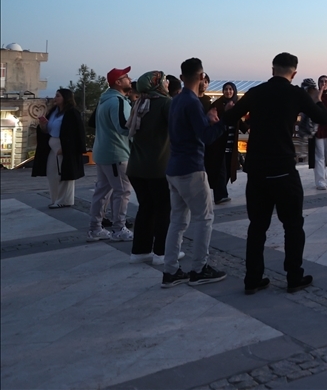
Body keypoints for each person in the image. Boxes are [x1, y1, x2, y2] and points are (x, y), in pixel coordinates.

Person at [221, 52, 327, 294]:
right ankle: (293, 276)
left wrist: (229, 107)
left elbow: (229, 118)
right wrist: (318, 98)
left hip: (257, 170)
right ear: (294, 73)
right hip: (283, 169)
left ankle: (253, 279)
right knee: (293, 225)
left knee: (257, 226)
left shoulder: (256, 92)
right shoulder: (296, 93)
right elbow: (322, 118)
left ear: (272, 69)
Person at [161, 58, 227, 288]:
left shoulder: (177, 101)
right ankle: (199, 269)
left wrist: (206, 119)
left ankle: (170, 271)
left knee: (177, 221)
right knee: (204, 218)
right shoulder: (192, 102)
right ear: (201, 77)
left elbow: (189, 129)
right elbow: (205, 137)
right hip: (191, 169)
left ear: (181, 77)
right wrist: (222, 122)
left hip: (174, 168)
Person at [125, 71, 173, 264]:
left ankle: (140, 251)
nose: (167, 84)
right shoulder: (165, 103)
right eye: (164, 81)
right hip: (158, 166)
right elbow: (177, 128)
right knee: (163, 209)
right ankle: (162, 252)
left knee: (146, 208)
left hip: (136, 167)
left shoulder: (140, 103)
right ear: (157, 84)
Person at [87, 66, 134, 242]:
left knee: (102, 191)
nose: (130, 79)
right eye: (126, 77)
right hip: (116, 154)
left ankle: (95, 228)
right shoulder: (118, 101)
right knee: (122, 191)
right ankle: (119, 228)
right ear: (118, 82)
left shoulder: (104, 100)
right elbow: (123, 127)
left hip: (103, 152)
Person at [32, 88, 86, 209]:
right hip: (52, 146)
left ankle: (64, 200)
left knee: (65, 174)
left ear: (65, 98)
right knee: (52, 173)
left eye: (58, 96)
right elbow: (47, 131)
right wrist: (43, 125)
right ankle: (55, 198)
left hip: (65, 147)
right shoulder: (53, 112)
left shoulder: (72, 113)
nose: (55, 98)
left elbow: (76, 133)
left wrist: (67, 149)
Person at [206, 81, 240, 204]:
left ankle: (221, 192)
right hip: (219, 142)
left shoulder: (236, 104)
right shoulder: (217, 104)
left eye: (231, 89)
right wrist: (225, 111)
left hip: (230, 142)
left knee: (227, 168)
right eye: (226, 89)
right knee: (220, 168)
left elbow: (240, 123)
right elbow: (216, 121)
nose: (228, 91)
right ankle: (220, 195)